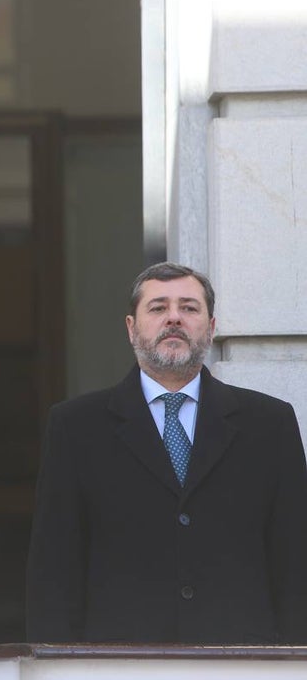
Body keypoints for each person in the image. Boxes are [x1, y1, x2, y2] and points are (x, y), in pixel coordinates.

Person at [27, 262, 307, 644]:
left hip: (242, 662)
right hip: (117, 664)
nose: (174, 318)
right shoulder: (75, 428)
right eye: (158, 308)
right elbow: (54, 569)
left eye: (189, 308)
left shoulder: (270, 424)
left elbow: (295, 563)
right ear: (131, 328)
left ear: (211, 328)